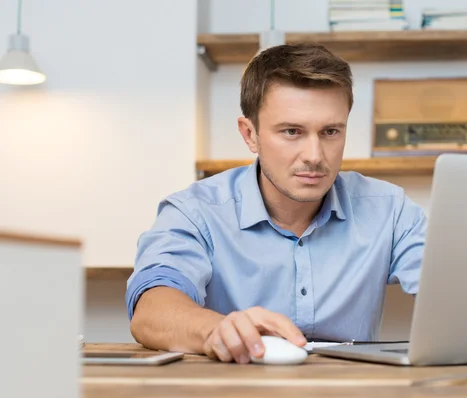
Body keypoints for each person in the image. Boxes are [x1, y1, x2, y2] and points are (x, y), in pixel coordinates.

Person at [126, 43, 427, 364]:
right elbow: (151, 311)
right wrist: (218, 329)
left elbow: (451, 289)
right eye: (292, 131)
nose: (314, 155)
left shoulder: (389, 209)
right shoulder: (196, 211)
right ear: (249, 134)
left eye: (330, 131)